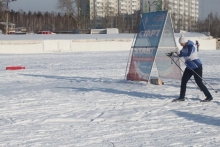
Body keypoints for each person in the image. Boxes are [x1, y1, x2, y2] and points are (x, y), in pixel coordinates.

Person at [170, 35, 213, 102]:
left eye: (181, 43)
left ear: (184, 42)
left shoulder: (191, 46)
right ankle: (181, 97)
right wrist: (173, 55)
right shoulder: (184, 47)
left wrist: (180, 54)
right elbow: (180, 54)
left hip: (196, 67)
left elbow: (188, 54)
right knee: (183, 81)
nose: (180, 44)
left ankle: (209, 96)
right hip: (189, 67)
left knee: (199, 82)